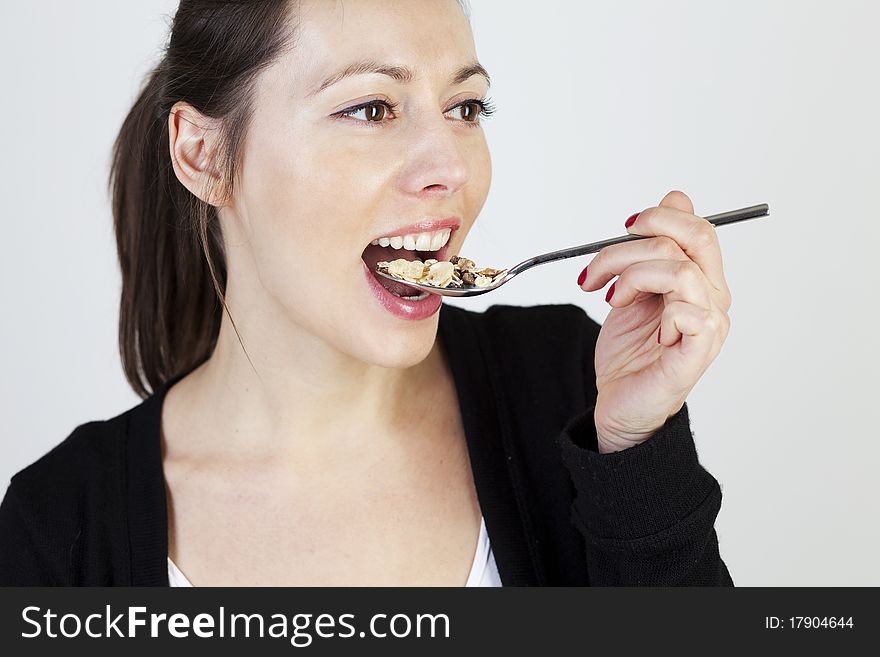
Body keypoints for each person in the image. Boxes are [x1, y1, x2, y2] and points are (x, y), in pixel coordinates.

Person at [0, 0, 733, 587]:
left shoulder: (572, 389)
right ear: (203, 154)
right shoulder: (58, 528)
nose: (449, 166)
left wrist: (634, 451)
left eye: (466, 107)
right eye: (372, 108)